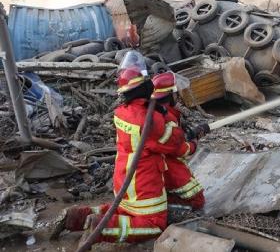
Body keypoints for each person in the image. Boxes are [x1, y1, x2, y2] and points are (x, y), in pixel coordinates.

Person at [56, 52, 197, 243]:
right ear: (143, 88)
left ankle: (75, 217)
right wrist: (167, 116)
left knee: (124, 209)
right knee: (154, 225)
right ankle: (101, 229)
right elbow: (175, 143)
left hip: (123, 176)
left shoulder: (122, 112)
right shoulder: (151, 121)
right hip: (144, 182)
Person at [151, 71, 206, 211]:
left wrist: (185, 133)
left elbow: (170, 140)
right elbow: (179, 150)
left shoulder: (162, 111)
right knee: (197, 200)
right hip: (167, 163)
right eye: (176, 93)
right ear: (169, 95)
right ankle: (169, 208)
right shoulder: (166, 117)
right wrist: (194, 142)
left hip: (161, 160)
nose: (178, 96)